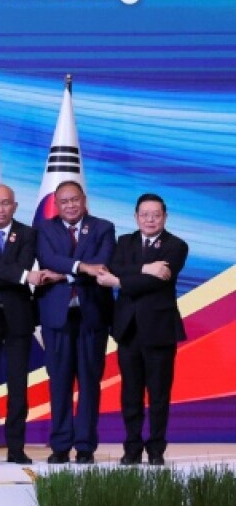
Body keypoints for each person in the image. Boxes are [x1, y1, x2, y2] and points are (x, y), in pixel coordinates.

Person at [0, 184, 60, 465]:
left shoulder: (29, 233)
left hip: (19, 315)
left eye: (5, 203)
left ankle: (16, 447)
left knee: (18, 386)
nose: (0, 208)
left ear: (15, 206)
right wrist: (22, 276)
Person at [97, 193, 188, 466]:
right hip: (128, 329)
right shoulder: (124, 242)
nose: (150, 219)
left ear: (165, 216)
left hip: (159, 330)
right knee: (130, 393)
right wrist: (145, 268)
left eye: (156, 214)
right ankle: (132, 448)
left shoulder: (176, 246)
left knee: (159, 394)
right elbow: (115, 267)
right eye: (145, 214)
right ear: (136, 216)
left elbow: (156, 283)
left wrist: (118, 281)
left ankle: (157, 448)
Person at [35, 181, 115, 465]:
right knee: (59, 383)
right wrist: (81, 268)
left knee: (90, 383)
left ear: (84, 200)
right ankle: (59, 445)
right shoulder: (45, 228)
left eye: (75, 200)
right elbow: (47, 258)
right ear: (56, 204)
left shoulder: (103, 227)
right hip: (56, 317)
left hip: (92, 315)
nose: (70, 205)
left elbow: (102, 263)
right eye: (64, 201)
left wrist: (63, 273)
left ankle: (85, 447)